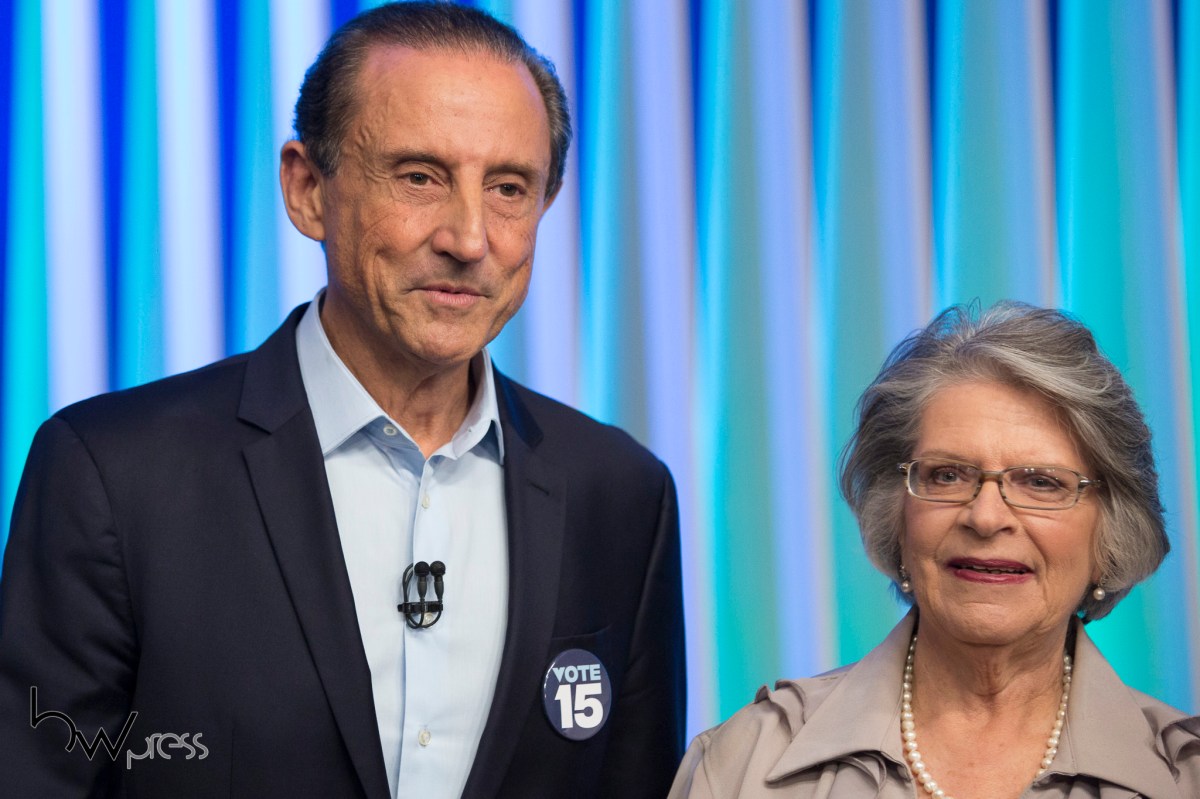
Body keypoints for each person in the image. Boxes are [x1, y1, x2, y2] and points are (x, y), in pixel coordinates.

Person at [0, 3, 685, 797]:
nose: (469, 238)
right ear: (307, 190)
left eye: (508, 187)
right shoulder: (114, 475)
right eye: (420, 176)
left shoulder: (621, 496)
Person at [670, 302, 1199, 798]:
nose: (986, 517)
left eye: (1041, 482)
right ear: (895, 516)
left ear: (1112, 532)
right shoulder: (745, 764)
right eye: (947, 475)